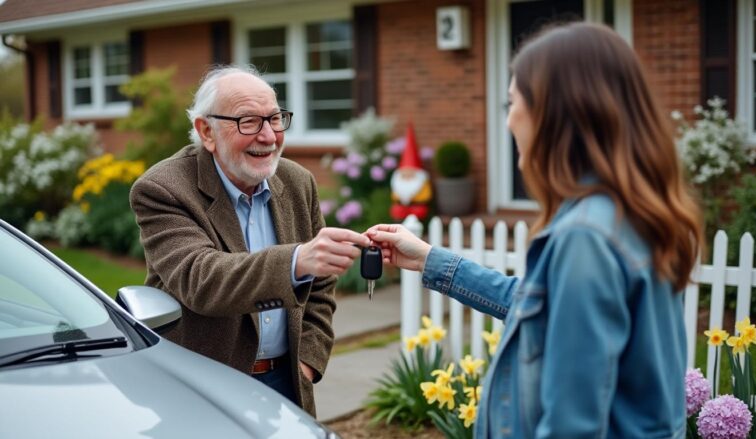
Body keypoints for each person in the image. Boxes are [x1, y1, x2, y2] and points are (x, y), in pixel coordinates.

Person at [368, 22, 702, 438]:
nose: (508, 123)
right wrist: (430, 260)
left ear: (555, 112)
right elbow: (535, 303)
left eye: (512, 103)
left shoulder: (586, 237)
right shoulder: (630, 212)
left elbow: (572, 427)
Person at [129, 65, 370, 417]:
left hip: (287, 380)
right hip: (204, 387)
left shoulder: (298, 182)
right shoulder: (163, 189)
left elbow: (320, 286)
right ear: (206, 131)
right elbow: (201, 279)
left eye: (274, 119)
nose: (269, 136)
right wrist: (297, 261)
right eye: (248, 122)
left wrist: (308, 362)